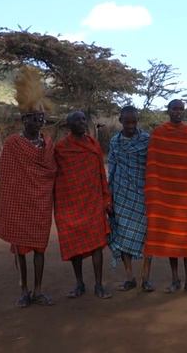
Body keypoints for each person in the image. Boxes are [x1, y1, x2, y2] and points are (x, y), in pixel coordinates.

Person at [0, 66, 57, 307]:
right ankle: (23, 290)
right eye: (33, 117)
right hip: (20, 203)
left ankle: (38, 290)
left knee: (40, 247)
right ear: (24, 119)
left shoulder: (48, 143)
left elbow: (51, 171)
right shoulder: (13, 143)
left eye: (41, 117)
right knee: (21, 249)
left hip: (41, 203)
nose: (38, 121)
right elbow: (7, 174)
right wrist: (17, 193)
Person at [142, 99, 187, 296]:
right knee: (171, 240)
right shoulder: (159, 134)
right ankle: (175, 279)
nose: (178, 112)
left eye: (181, 109)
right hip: (166, 197)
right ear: (168, 111)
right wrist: (156, 193)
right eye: (174, 109)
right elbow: (153, 167)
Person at [54, 111, 112, 299]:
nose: (82, 123)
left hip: (93, 201)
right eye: (77, 121)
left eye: (83, 119)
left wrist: (106, 198)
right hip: (71, 202)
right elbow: (55, 175)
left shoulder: (93, 144)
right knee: (74, 245)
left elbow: (100, 173)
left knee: (97, 244)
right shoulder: (61, 148)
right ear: (69, 125)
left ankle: (98, 284)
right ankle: (79, 283)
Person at [107, 105, 150, 292]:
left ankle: (146, 278)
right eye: (127, 122)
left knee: (147, 236)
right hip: (121, 194)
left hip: (143, 194)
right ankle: (129, 276)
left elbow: (153, 165)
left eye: (134, 121)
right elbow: (112, 167)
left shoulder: (147, 140)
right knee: (124, 235)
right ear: (120, 121)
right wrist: (109, 196)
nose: (131, 125)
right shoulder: (115, 142)